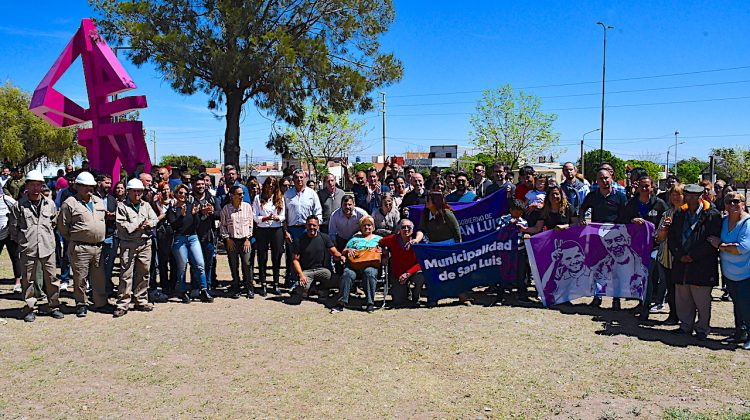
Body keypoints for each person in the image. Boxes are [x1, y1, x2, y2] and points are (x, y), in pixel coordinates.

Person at [667, 183, 722, 340]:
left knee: (702, 299)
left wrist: (693, 255)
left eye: (694, 196)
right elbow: (672, 237)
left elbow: (712, 240)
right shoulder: (679, 214)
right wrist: (679, 254)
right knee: (683, 297)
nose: (691, 199)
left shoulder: (712, 214)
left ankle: (702, 328)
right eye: (688, 196)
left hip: (702, 263)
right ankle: (685, 326)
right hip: (681, 262)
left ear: (701, 196)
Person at [8, 170, 63, 322]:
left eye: (38, 185)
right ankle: (30, 307)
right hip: (28, 247)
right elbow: (13, 228)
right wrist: (23, 240)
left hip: (47, 247)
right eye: (32, 185)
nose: (35, 188)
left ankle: (54, 306)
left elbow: (53, 223)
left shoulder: (50, 204)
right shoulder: (19, 206)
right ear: (26, 186)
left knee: (52, 278)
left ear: (42, 186)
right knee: (28, 280)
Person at [57, 172, 108, 317]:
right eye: (85, 186)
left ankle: (100, 302)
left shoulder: (98, 201)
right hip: (80, 247)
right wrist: (74, 238)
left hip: (98, 246)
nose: (88, 189)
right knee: (80, 278)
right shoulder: (70, 203)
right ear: (77, 186)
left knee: (99, 277)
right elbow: (63, 226)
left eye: (91, 186)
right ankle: (81, 304)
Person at [579, 168, 629, 309]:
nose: (604, 181)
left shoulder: (620, 196)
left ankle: (616, 299)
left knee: (616, 269)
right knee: (598, 268)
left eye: (606, 178)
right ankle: (597, 296)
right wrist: (582, 218)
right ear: (597, 181)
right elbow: (582, 209)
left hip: (615, 239)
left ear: (611, 177)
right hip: (597, 238)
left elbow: (627, 215)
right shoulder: (592, 196)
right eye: (601, 178)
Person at [708, 192, 750, 349]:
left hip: (746, 273)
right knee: (738, 305)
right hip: (730, 274)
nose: (732, 204)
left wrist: (720, 246)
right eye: (728, 202)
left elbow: (743, 247)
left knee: (747, 306)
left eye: (736, 201)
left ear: (743, 203)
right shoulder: (724, 221)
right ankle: (740, 333)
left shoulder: (747, 223)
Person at [623, 176, 668, 320]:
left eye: (647, 186)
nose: (644, 189)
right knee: (639, 276)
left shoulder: (660, 204)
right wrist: (631, 220)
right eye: (641, 186)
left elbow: (667, 220)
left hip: (654, 247)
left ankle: (646, 306)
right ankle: (641, 301)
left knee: (647, 274)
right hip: (636, 247)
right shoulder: (631, 204)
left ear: (652, 187)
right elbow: (621, 220)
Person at [115, 179, 159, 317]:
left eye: (139, 191)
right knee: (126, 274)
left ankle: (141, 300)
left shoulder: (146, 205)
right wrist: (138, 225)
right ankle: (123, 303)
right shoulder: (122, 206)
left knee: (144, 272)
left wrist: (149, 224)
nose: (137, 194)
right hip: (128, 243)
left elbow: (155, 219)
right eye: (134, 191)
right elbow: (122, 224)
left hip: (145, 243)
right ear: (128, 192)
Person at [419, 190, 468, 306]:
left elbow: (457, 232)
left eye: (429, 199)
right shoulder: (425, 214)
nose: (426, 202)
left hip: (449, 247)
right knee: (434, 274)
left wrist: (457, 249)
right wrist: (417, 239)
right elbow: (422, 229)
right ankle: (434, 298)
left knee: (454, 273)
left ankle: (463, 297)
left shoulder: (447, 213)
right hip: (433, 247)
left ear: (435, 201)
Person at [168, 183, 214, 303]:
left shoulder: (191, 206)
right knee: (182, 266)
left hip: (193, 238)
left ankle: (204, 290)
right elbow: (174, 226)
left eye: (185, 193)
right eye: (180, 193)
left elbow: (196, 225)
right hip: (180, 239)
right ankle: (183, 292)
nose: (183, 195)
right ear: (176, 194)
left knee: (200, 264)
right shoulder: (172, 209)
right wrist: (182, 216)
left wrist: (195, 215)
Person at [286, 215, 346, 305]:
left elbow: (334, 252)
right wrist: (301, 275)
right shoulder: (299, 240)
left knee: (339, 280)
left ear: (318, 226)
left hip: (322, 270)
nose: (312, 227)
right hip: (307, 271)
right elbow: (295, 260)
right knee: (300, 287)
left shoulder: (324, 237)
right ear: (306, 226)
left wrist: (341, 256)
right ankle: (311, 289)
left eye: (314, 225)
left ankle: (319, 289)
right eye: (309, 225)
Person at [331, 215, 383, 313]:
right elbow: (343, 252)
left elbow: (387, 252)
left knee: (369, 272)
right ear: (360, 227)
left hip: (370, 264)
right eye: (364, 225)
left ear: (373, 226)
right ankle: (341, 302)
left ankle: (370, 303)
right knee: (347, 273)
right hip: (354, 265)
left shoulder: (379, 239)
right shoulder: (354, 239)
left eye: (369, 225)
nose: (367, 227)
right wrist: (348, 250)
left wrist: (382, 251)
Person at [284, 169, 323, 288]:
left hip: (308, 229)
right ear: (293, 179)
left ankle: (309, 281)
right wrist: (285, 231)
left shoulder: (312, 193)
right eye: (296, 177)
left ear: (305, 178)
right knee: (293, 256)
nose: (299, 180)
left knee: (308, 256)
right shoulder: (287, 194)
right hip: (292, 230)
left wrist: (316, 227)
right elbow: (283, 214)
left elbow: (318, 212)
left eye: (301, 177)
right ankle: (294, 281)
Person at [654, 183, 684, 324]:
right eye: (674, 194)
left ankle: (685, 318)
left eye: (679, 194)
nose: (676, 197)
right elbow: (659, 238)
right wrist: (664, 229)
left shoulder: (688, 214)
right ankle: (673, 315)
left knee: (683, 292)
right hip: (666, 257)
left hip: (682, 259)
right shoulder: (666, 214)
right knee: (670, 289)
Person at [379, 218, 425, 308]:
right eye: (403, 227)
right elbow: (380, 242)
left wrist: (408, 273)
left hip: (413, 272)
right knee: (398, 302)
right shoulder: (392, 239)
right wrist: (384, 255)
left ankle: (416, 296)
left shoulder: (417, 242)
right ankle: (406, 292)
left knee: (421, 275)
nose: (406, 229)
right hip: (397, 273)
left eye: (409, 227)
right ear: (399, 229)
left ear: (412, 230)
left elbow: (420, 263)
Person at [220, 185, 255, 299]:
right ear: (232, 196)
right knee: (234, 265)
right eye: (239, 194)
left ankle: (249, 287)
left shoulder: (247, 207)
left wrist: (248, 239)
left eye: (242, 194)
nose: (242, 196)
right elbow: (223, 226)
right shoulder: (226, 209)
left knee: (247, 264)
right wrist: (227, 239)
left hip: (245, 240)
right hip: (232, 240)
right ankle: (236, 287)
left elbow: (250, 224)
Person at [253, 176, 285, 296]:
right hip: (263, 230)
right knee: (262, 256)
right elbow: (255, 217)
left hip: (276, 229)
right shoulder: (258, 198)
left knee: (276, 257)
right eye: (268, 184)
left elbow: (283, 215)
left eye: (273, 184)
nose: (270, 186)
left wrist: (277, 217)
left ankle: (275, 283)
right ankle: (263, 283)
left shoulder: (280, 198)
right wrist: (265, 218)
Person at [191, 176, 221, 292]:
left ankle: (207, 287)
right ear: (193, 185)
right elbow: (188, 216)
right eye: (198, 184)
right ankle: (195, 287)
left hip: (209, 235)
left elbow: (220, 214)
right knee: (195, 263)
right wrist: (199, 212)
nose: (200, 186)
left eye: (202, 184)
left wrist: (212, 212)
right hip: (193, 236)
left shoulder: (212, 198)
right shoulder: (190, 199)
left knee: (208, 263)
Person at [152, 180, 175, 297]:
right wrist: (157, 206)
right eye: (162, 190)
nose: (165, 192)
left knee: (174, 259)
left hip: (173, 232)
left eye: (167, 189)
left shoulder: (174, 201)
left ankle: (173, 284)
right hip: (161, 232)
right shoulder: (156, 203)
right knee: (162, 260)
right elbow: (155, 218)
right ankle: (164, 284)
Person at [0, 188, 22, 293]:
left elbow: (18, 209)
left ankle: (18, 282)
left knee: (15, 257)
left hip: (9, 234)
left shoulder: (7, 199)